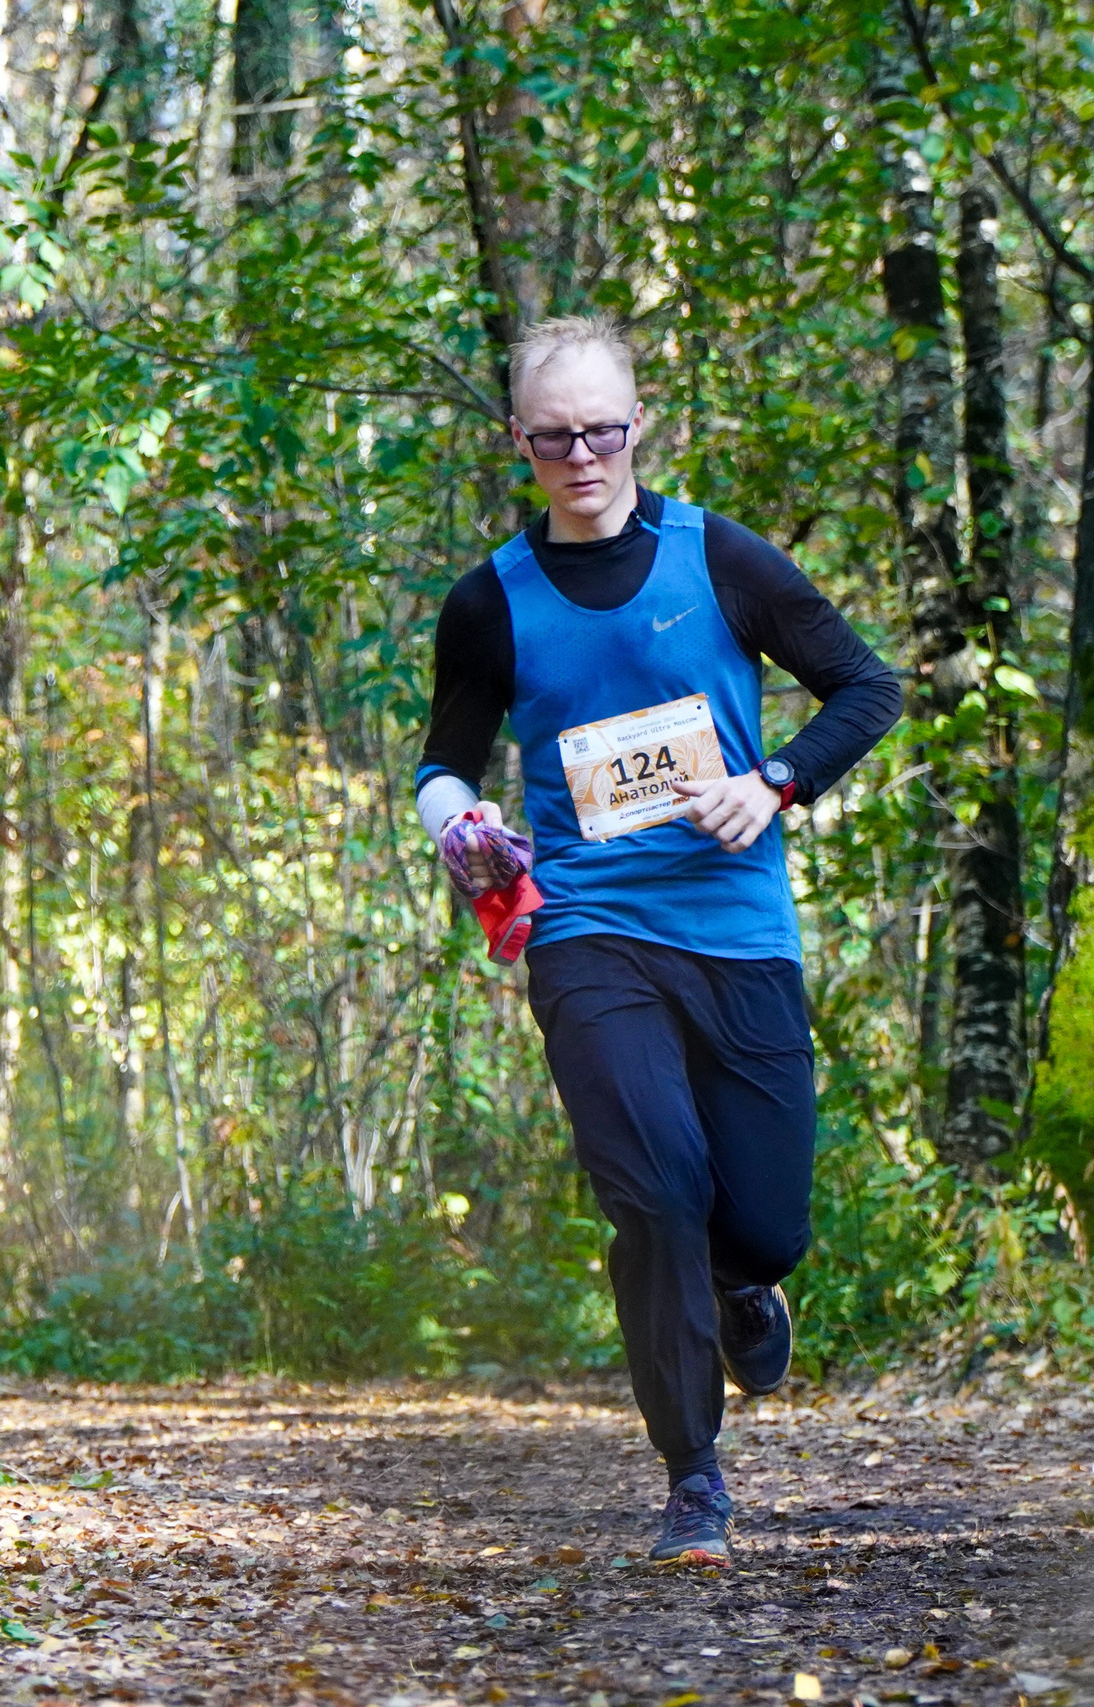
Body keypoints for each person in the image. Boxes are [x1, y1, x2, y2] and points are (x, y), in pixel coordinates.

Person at [415, 314, 901, 1566]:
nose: (580, 455)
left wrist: (778, 781)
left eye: (601, 430)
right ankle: (694, 1476)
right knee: (654, 1193)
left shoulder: (720, 559)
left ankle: (748, 1291)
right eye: (552, 436)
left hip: (735, 924)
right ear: (515, 440)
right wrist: (460, 823)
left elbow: (869, 688)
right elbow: (444, 761)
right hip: (585, 929)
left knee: (764, 1221)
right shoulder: (491, 602)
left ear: (640, 425)